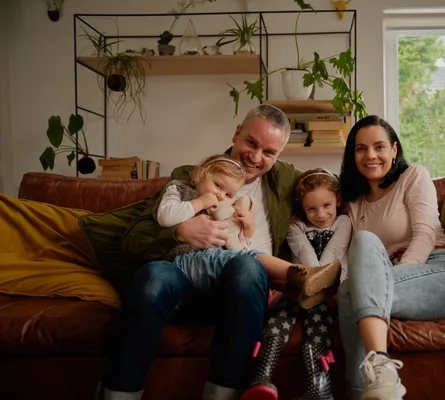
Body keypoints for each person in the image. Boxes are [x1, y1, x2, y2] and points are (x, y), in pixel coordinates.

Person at [97, 104, 308, 400]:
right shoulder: (192, 176)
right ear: (236, 134)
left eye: (269, 152)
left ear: (279, 155)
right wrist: (178, 231)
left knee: (246, 268)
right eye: (251, 142)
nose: (256, 157)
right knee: (154, 275)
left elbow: (334, 191)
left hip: (243, 292)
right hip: (183, 283)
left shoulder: (286, 181)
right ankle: (117, 395)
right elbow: (133, 238)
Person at [337, 116, 445, 400]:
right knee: (349, 283)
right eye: (360, 149)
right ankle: (376, 388)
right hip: (387, 277)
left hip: (435, 269)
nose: (370, 155)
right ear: (353, 155)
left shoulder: (414, 176)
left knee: (353, 287)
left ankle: (377, 372)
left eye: (379, 146)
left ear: (394, 150)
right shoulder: (353, 201)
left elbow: (425, 236)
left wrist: (388, 278)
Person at [154, 153, 341, 297]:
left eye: (228, 195)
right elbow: (165, 217)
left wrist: (247, 230)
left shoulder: (221, 209)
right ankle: (301, 276)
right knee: (247, 260)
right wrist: (199, 204)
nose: (221, 196)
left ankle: (300, 288)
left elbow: (234, 244)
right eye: (218, 186)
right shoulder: (179, 189)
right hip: (185, 260)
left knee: (244, 259)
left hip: (215, 267)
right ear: (202, 174)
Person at [240, 168, 351, 400]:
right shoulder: (296, 226)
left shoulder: (343, 222)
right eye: (311, 208)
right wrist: (309, 281)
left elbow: (333, 252)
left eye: (327, 205)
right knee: (279, 317)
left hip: (329, 290)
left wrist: (319, 284)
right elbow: (304, 254)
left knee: (318, 323)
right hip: (298, 287)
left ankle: (319, 388)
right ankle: (261, 376)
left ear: (338, 200)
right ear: (302, 207)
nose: (320, 214)